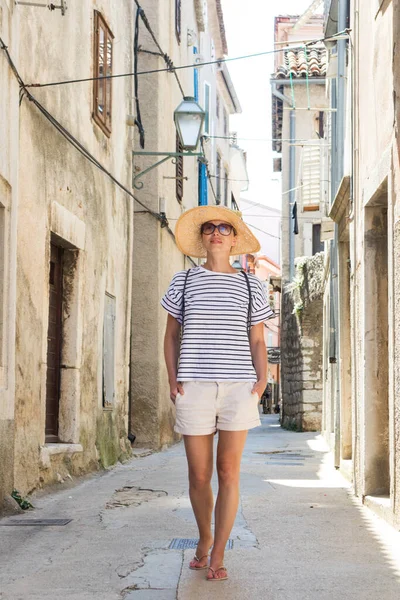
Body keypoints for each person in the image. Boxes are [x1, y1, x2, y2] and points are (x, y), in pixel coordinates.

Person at [161, 206, 274, 582]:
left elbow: (257, 340)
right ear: (203, 238)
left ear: (234, 239)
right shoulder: (184, 281)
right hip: (193, 386)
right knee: (199, 474)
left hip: (238, 387)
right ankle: (204, 537)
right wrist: (173, 377)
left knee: (228, 470)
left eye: (225, 228)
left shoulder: (250, 285)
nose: (217, 233)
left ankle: (220, 553)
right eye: (209, 228)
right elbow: (171, 336)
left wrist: (261, 381)